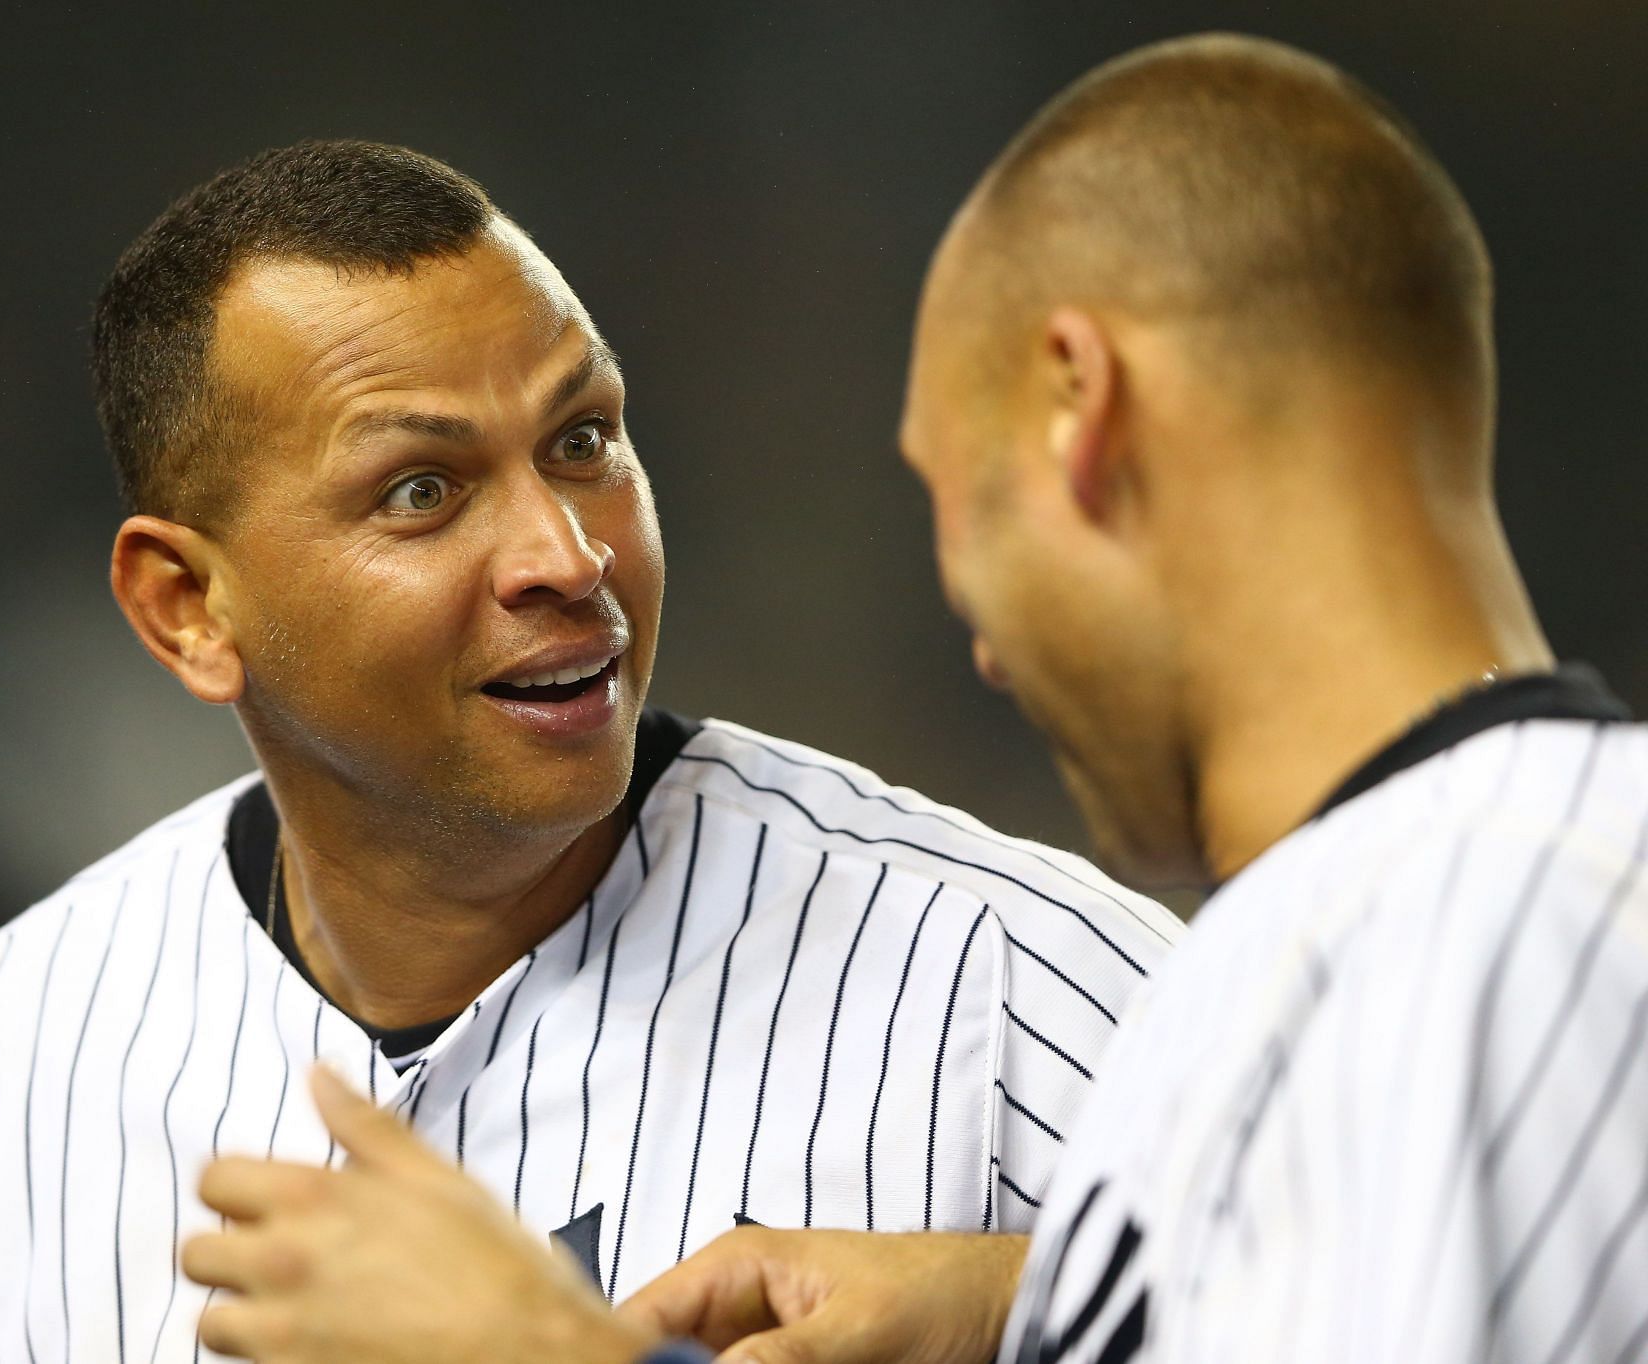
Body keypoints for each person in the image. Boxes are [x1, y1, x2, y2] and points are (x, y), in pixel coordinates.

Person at [167, 32, 1647, 1364]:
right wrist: (1037, 1299)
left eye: (958, 498)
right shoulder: (1475, 897)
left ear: (1084, 407)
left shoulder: (1472, 913)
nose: (983, 636)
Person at [0, 141, 1178, 1364]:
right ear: (188, 609)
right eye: (421, 491)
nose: (565, 554)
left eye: (584, 440)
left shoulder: (1012, 987)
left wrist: (1032, 1310)